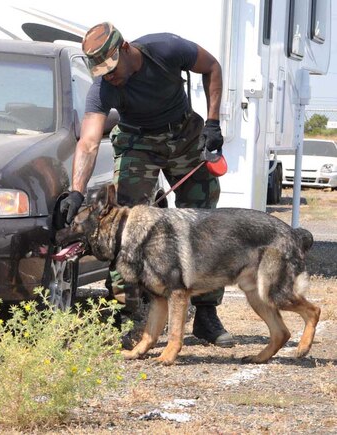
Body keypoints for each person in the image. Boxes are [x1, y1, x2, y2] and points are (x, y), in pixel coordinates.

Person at [60, 22, 234, 347]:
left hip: (185, 136)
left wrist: (212, 123)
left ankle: (207, 314)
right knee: (121, 228)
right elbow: (88, 142)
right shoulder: (102, 89)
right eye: (101, 71)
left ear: (124, 48)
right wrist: (77, 191)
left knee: (204, 223)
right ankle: (132, 316)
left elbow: (212, 67)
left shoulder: (165, 49)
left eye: (111, 68)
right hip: (138, 143)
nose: (108, 76)